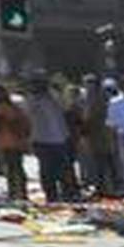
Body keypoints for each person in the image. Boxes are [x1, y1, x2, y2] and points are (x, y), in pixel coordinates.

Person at [26, 75, 75, 203]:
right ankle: (51, 196)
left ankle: (68, 194)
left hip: (60, 139)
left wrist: (55, 91)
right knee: (47, 171)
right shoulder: (32, 100)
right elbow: (29, 111)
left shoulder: (55, 98)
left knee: (64, 170)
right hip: (42, 140)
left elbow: (67, 106)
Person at [0, 82, 29, 202]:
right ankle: (23, 193)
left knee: (11, 169)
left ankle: (13, 193)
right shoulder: (15, 107)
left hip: (8, 141)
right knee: (19, 167)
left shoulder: (0, 108)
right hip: (18, 141)